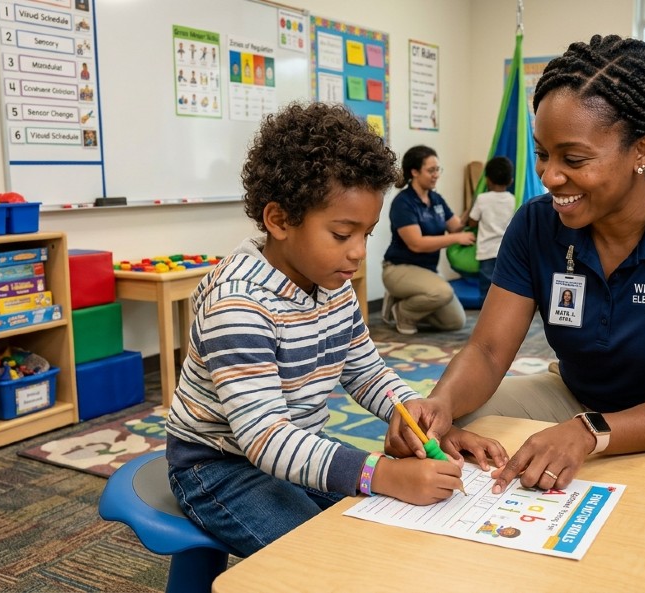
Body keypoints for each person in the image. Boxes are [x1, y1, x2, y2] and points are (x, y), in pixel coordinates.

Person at [386, 34, 645, 495]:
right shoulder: (536, 225)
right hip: (573, 396)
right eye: (542, 153)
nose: (550, 176)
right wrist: (439, 405)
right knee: (458, 423)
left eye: (574, 159)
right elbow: (486, 351)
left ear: (642, 150)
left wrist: (587, 433)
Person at [165, 102, 506, 558]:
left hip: (294, 443)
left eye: (366, 234)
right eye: (343, 234)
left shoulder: (332, 284)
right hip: (219, 465)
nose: (358, 253)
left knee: (382, 527)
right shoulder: (239, 303)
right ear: (280, 220)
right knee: (325, 554)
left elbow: (365, 372)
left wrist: (413, 415)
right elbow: (265, 438)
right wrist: (382, 473)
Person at [381, 145, 475, 335]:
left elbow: (455, 226)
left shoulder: (436, 199)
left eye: (437, 169)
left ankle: (408, 302)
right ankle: (401, 312)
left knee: (455, 322)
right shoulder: (403, 203)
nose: (436, 175)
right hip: (399, 268)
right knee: (443, 292)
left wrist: (474, 206)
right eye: (431, 170)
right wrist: (456, 238)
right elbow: (416, 244)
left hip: (427, 271)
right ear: (414, 172)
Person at [465, 156, 516, 303]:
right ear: (510, 181)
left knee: (487, 291)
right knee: (505, 287)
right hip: (506, 252)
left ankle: (485, 318)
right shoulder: (513, 199)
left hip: (486, 252)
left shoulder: (482, 199)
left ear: (487, 180)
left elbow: (472, 222)